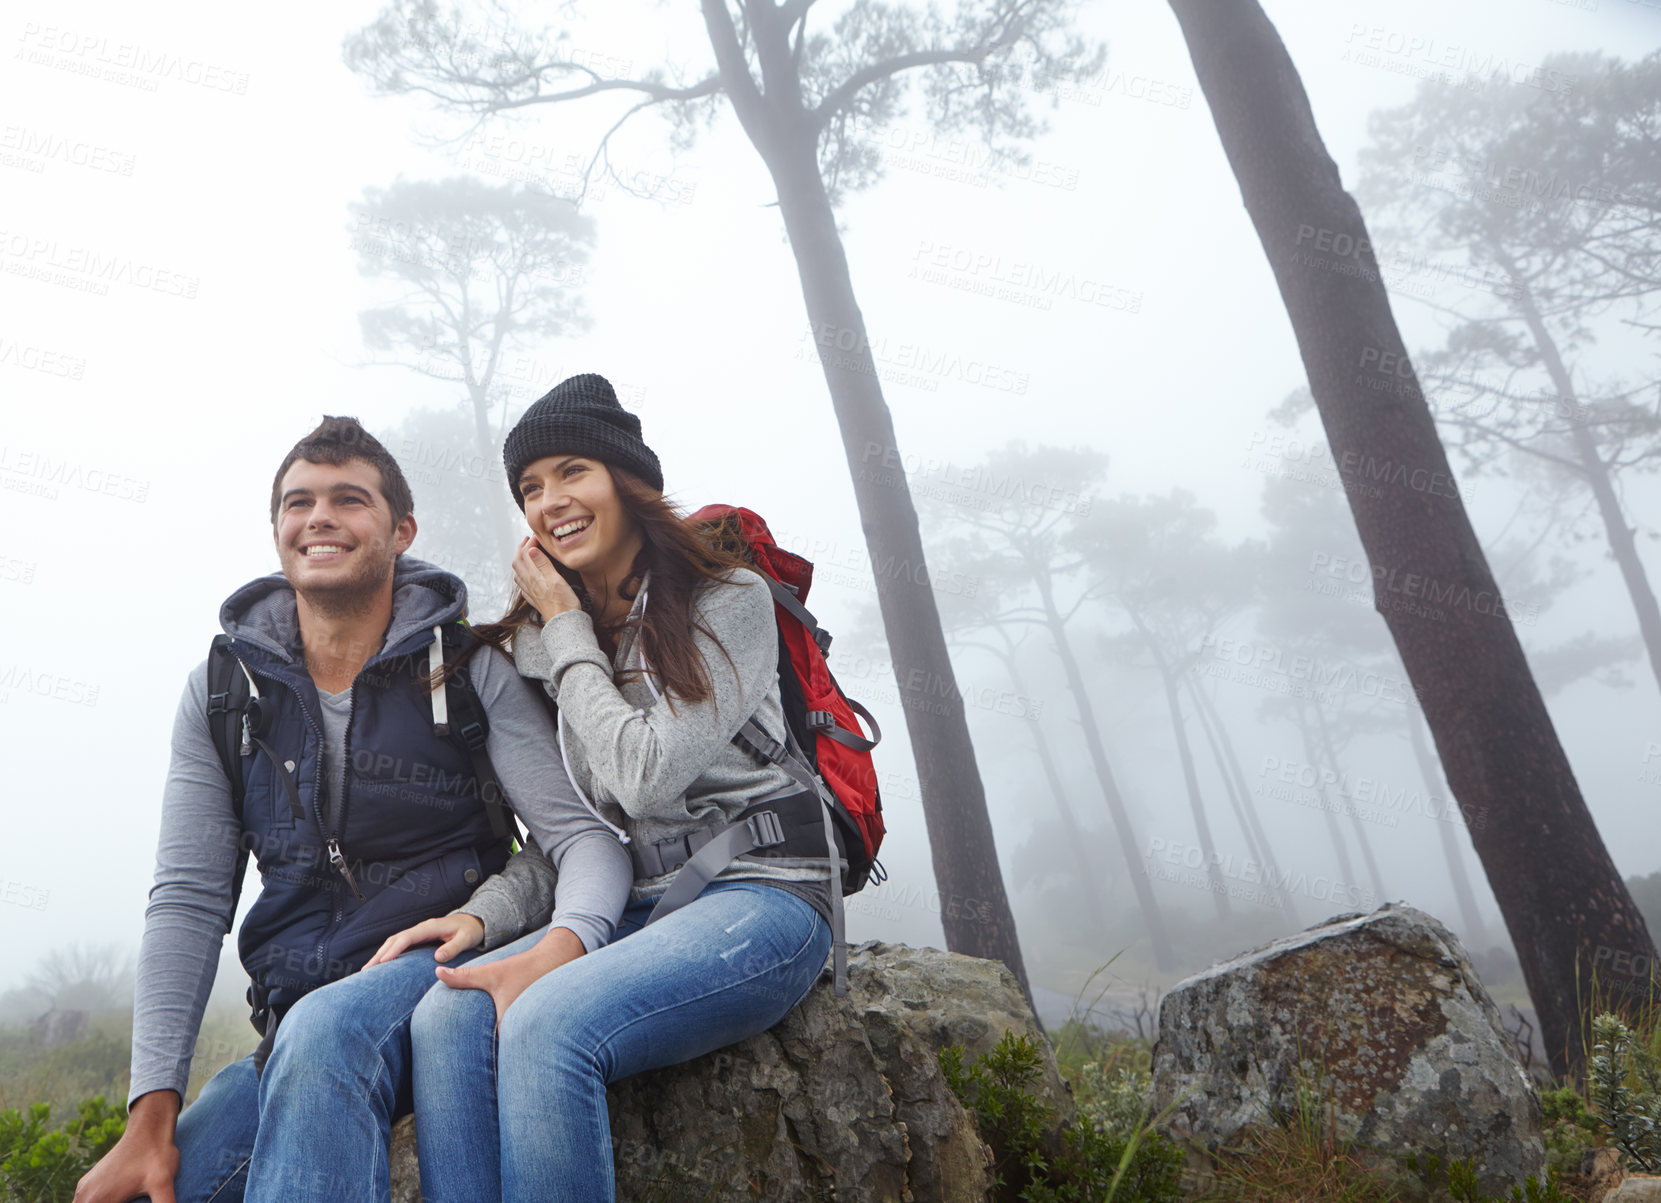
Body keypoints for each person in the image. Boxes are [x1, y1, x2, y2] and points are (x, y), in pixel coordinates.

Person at [74, 417, 631, 1203]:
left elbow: (578, 838)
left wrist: (548, 945)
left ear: (401, 530)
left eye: (348, 499)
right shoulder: (225, 693)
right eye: (298, 502)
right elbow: (189, 900)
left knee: (326, 1031)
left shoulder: (469, 669)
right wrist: (151, 1107)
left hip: (440, 976)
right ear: (277, 531)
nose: (319, 517)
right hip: (294, 1020)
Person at [370, 373, 839, 1202]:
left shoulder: (726, 598)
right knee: (448, 1017)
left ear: (628, 479)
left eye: (571, 470)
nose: (549, 500)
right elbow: (580, 831)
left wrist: (563, 626)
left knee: (549, 1025)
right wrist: (487, 911)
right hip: (645, 904)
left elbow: (642, 769)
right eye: (529, 487)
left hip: (766, 895)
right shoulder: (541, 644)